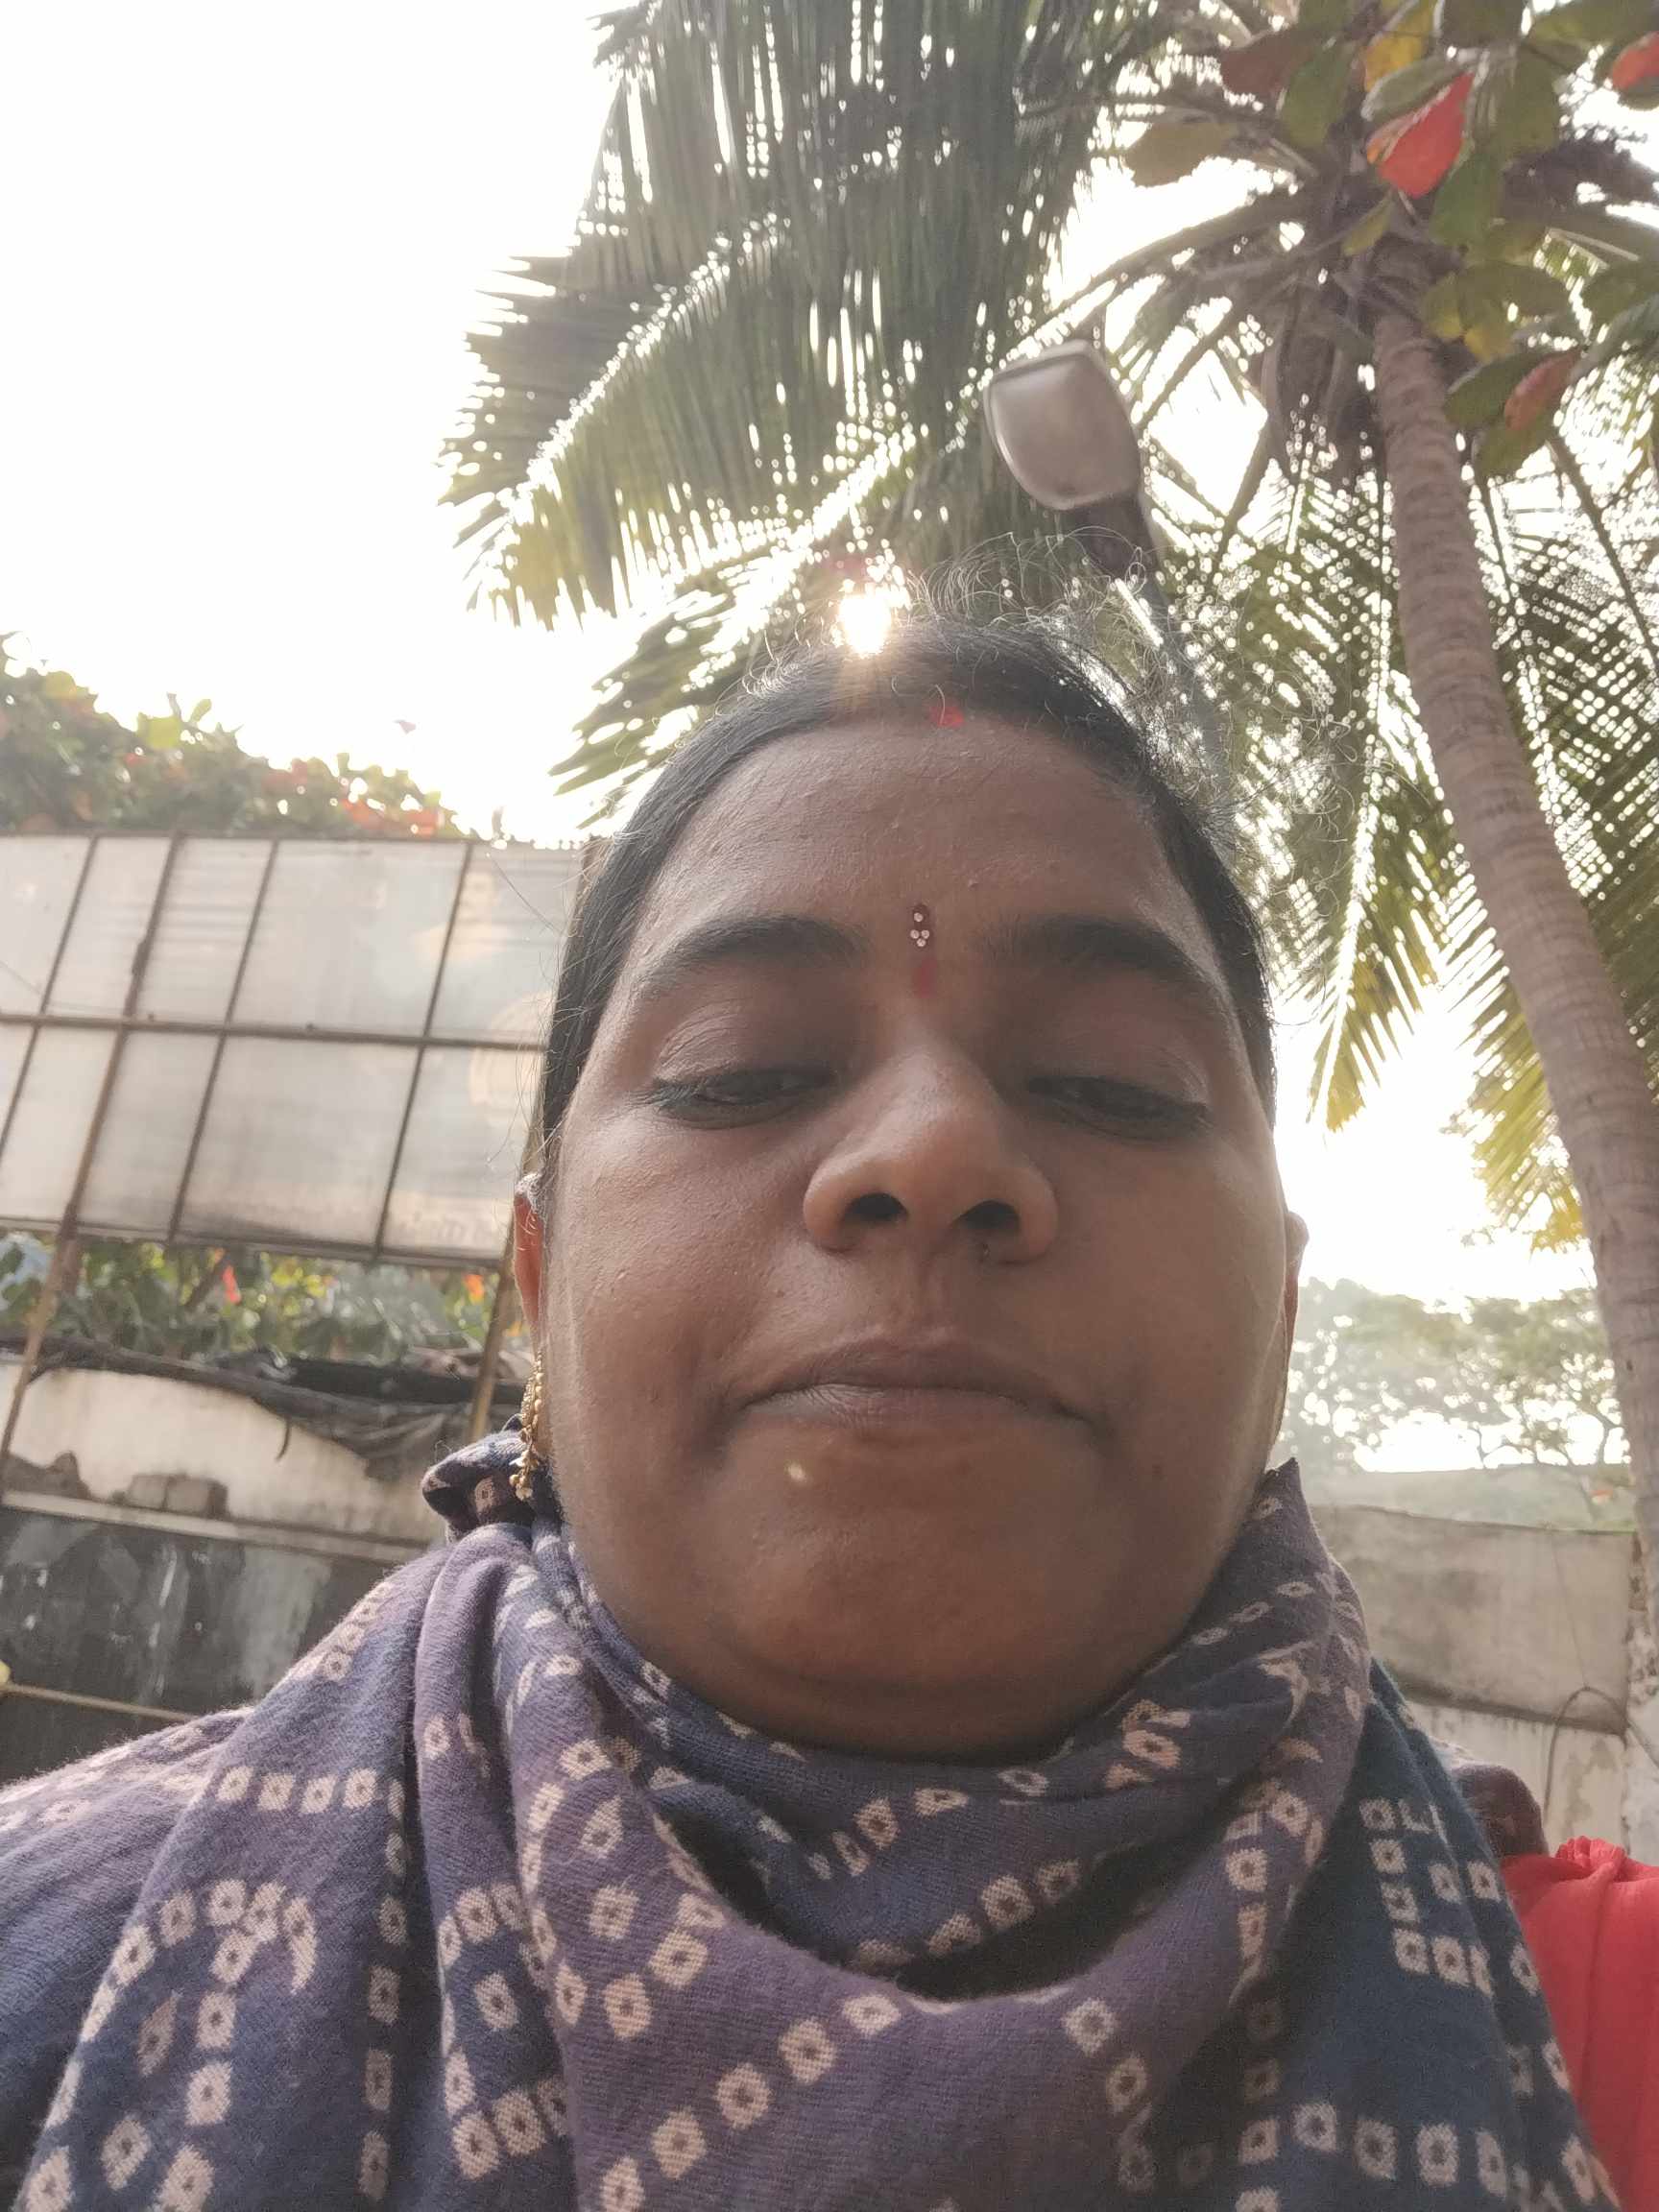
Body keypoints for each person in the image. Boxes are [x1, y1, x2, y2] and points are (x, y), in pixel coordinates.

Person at [0, 609, 1635, 2210]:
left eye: (1113, 1083)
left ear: (1275, 1314)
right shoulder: (48, 1959)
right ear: (540, 1281)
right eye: (740, 1070)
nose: (931, 1151)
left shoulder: (1611, 2029)